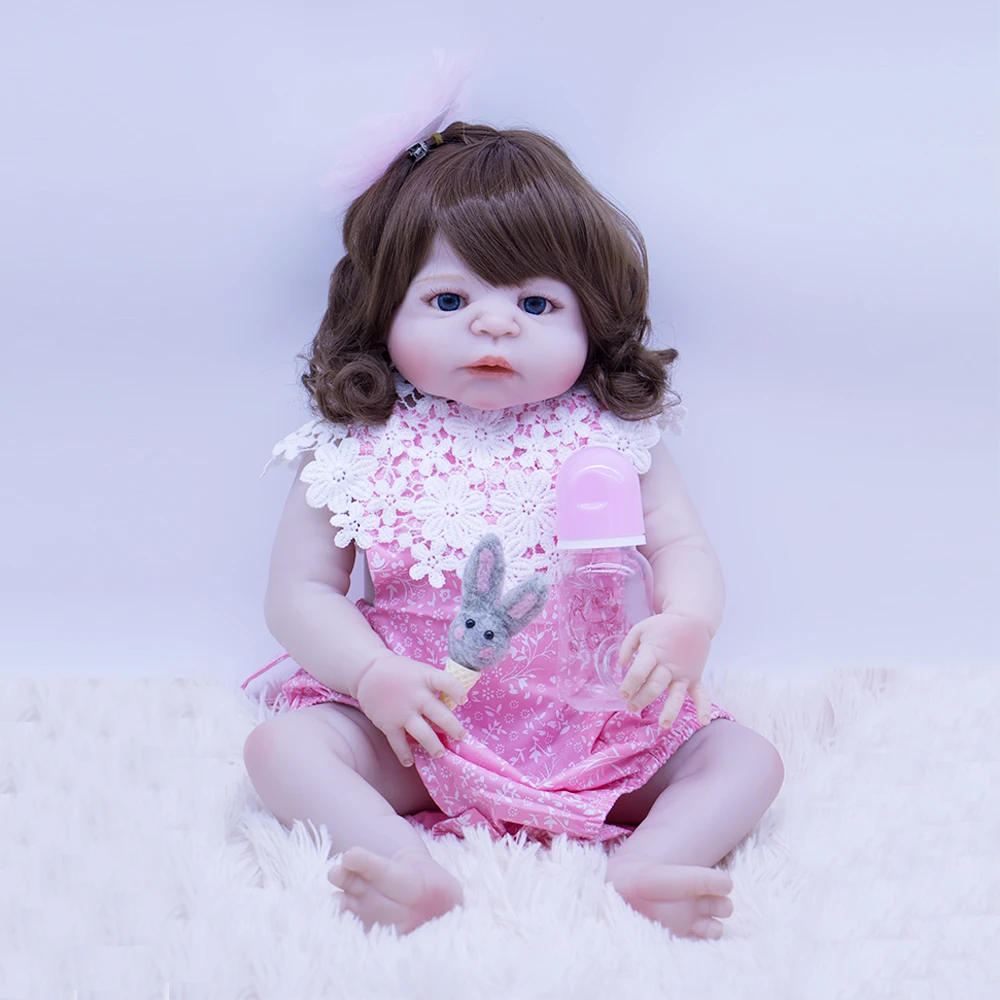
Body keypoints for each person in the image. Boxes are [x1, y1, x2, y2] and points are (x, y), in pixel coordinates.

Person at [242, 121, 785, 939]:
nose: (495, 327)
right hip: (420, 729)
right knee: (281, 750)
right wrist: (370, 674)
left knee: (745, 759)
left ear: (590, 318)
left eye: (536, 304)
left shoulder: (612, 436)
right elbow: (299, 594)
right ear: (383, 309)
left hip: (598, 723)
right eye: (449, 300)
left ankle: (649, 864)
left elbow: (680, 546)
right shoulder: (357, 444)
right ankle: (405, 867)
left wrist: (688, 623)